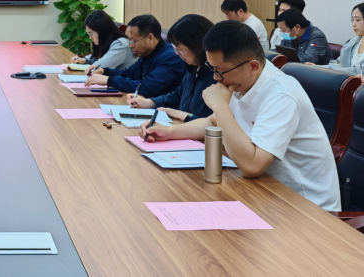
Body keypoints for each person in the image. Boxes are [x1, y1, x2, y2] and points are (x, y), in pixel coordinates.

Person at [139, 21, 340, 211]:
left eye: (220, 71)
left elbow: (252, 166)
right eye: (212, 68)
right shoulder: (241, 81)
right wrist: (169, 132)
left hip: (304, 208)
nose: (215, 77)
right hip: (266, 192)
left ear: (253, 66)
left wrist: (219, 105)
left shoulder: (282, 95)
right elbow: (213, 122)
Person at [127, 14, 215, 121]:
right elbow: (177, 96)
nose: (177, 53)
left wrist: (181, 115)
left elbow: (213, 123)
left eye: (180, 49)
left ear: (197, 46)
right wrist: (149, 102)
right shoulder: (192, 68)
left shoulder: (216, 75)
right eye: (174, 48)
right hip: (181, 127)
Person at [85, 14, 186, 97]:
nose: (131, 45)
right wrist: (105, 71)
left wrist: (110, 80)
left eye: (133, 41)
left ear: (150, 38)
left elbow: (147, 87)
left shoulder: (171, 57)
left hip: (163, 111)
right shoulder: (146, 53)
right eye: (129, 41)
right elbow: (128, 74)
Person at [70, 10, 135, 70]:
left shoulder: (121, 44)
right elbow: (100, 58)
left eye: (91, 34)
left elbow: (99, 66)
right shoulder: (109, 42)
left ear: (102, 31)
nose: (90, 37)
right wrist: (84, 60)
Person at [338, 3, 364, 76]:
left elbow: (356, 71)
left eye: (358, 20)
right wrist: (317, 67)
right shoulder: (351, 43)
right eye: (353, 20)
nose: (353, 24)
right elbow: (337, 65)